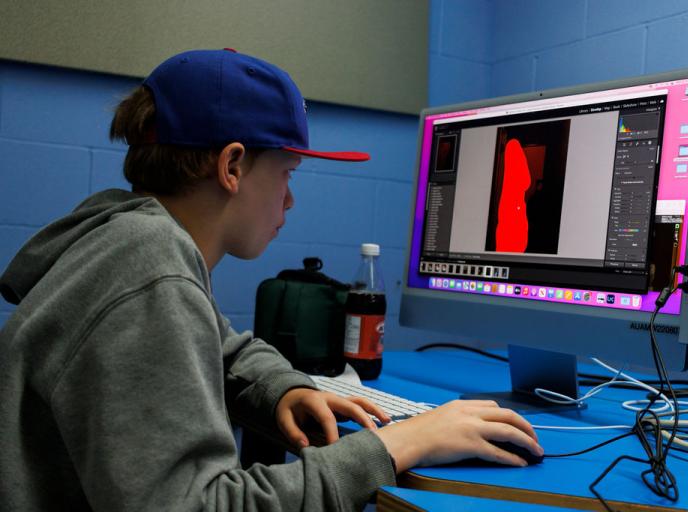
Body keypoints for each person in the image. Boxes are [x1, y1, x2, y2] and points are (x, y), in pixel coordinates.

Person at [0, 49, 543, 511]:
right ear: (232, 166)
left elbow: (223, 347)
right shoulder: (149, 265)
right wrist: (399, 445)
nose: (289, 199)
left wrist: (282, 386)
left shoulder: (124, 237)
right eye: (285, 174)